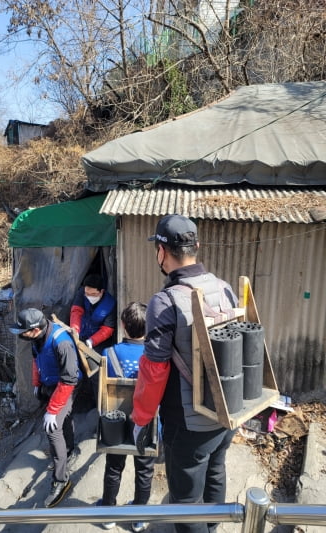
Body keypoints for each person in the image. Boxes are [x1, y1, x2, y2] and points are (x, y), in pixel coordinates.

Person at [131, 214, 239, 533]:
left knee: (185, 500)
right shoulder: (224, 288)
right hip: (226, 410)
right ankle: (213, 524)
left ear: (162, 251)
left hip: (188, 421)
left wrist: (141, 420)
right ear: (197, 247)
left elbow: (154, 370)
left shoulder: (165, 302)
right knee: (216, 469)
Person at [9, 308, 80, 508]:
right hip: (50, 383)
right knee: (64, 420)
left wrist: (53, 409)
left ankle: (61, 480)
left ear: (34, 330)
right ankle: (68, 450)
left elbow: (69, 379)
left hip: (65, 386)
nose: (21, 335)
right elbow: (36, 360)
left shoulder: (62, 342)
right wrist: (36, 383)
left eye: (22, 332)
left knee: (53, 428)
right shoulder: (37, 338)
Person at [97, 302, 155, 533]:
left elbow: (100, 392)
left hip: (116, 424)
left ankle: (108, 513)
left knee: (113, 467)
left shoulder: (108, 354)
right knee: (144, 469)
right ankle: (139, 516)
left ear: (122, 326)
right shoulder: (154, 355)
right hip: (146, 423)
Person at [70, 273, 116, 353]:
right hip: (81, 333)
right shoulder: (82, 293)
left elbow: (107, 329)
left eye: (93, 294)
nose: (89, 296)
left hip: (98, 340)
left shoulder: (110, 304)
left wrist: (92, 341)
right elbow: (76, 311)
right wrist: (75, 330)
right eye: (87, 294)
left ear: (101, 291)